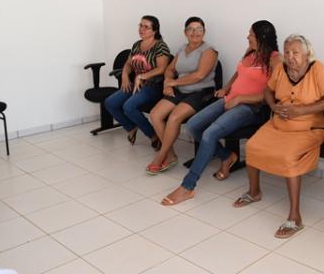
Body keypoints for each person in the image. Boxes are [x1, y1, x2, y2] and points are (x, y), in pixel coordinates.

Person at [161, 20, 282, 206]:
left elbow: (271, 95)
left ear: (262, 37)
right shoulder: (250, 52)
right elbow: (239, 73)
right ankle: (227, 156)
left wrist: (240, 99)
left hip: (252, 107)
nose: (247, 36)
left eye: (251, 34)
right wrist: (227, 88)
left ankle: (188, 186)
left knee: (210, 133)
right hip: (230, 98)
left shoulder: (275, 59)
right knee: (193, 126)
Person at [233, 34, 324, 239]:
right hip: (279, 123)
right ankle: (254, 192)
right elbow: (268, 91)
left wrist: (302, 111)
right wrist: (273, 106)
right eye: (287, 51)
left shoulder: (318, 69)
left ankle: (295, 217)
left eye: (296, 52)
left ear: (307, 54)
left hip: (310, 126)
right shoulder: (280, 68)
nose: (290, 56)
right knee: (253, 145)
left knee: (289, 157)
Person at [146, 17, 218, 174]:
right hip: (180, 89)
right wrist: (168, 81)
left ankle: (161, 156)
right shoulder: (182, 49)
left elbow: (199, 76)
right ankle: (170, 155)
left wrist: (174, 83)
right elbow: (170, 69)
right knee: (155, 114)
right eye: (191, 29)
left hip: (200, 92)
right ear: (185, 32)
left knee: (174, 118)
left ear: (204, 32)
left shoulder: (209, 51)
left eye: (199, 29)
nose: (195, 32)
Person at [104, 16, 171, 148]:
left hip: (153, 86)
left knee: (128, 106)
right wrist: (124, 75)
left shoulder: (161, 46)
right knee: (110, 102)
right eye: (140, 25)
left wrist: (142, 76)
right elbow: (129, 63)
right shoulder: (137, 44)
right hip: (136, 85)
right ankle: (131, 127)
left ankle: (152, 135)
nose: (142, 29)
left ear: (154, 30)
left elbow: (162, 68)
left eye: (146, 27)